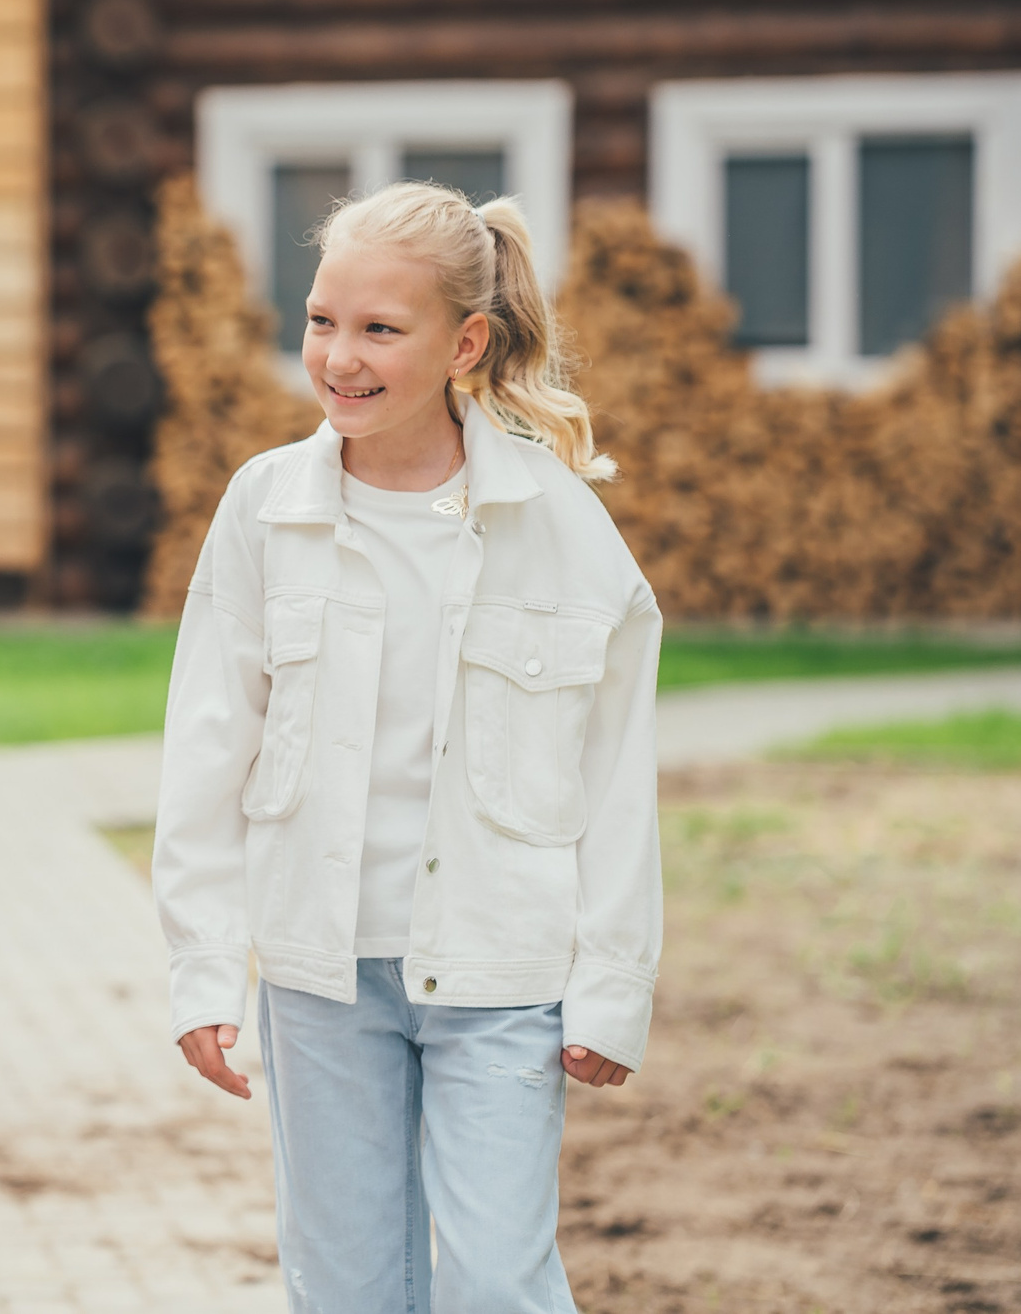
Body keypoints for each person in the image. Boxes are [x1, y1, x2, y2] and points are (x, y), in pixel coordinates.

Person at [153, 182, 661, 1311]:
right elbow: (205, 747)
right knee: (349, 1289)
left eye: (380, 329)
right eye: (321, 320)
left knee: (494, 1283)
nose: (340, 356)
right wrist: (199, 965)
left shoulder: (559, 524)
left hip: (501, 970)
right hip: (317, 973)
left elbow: (616, 775)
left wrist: (612, 986)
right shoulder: (262, 509)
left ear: (463, 342)